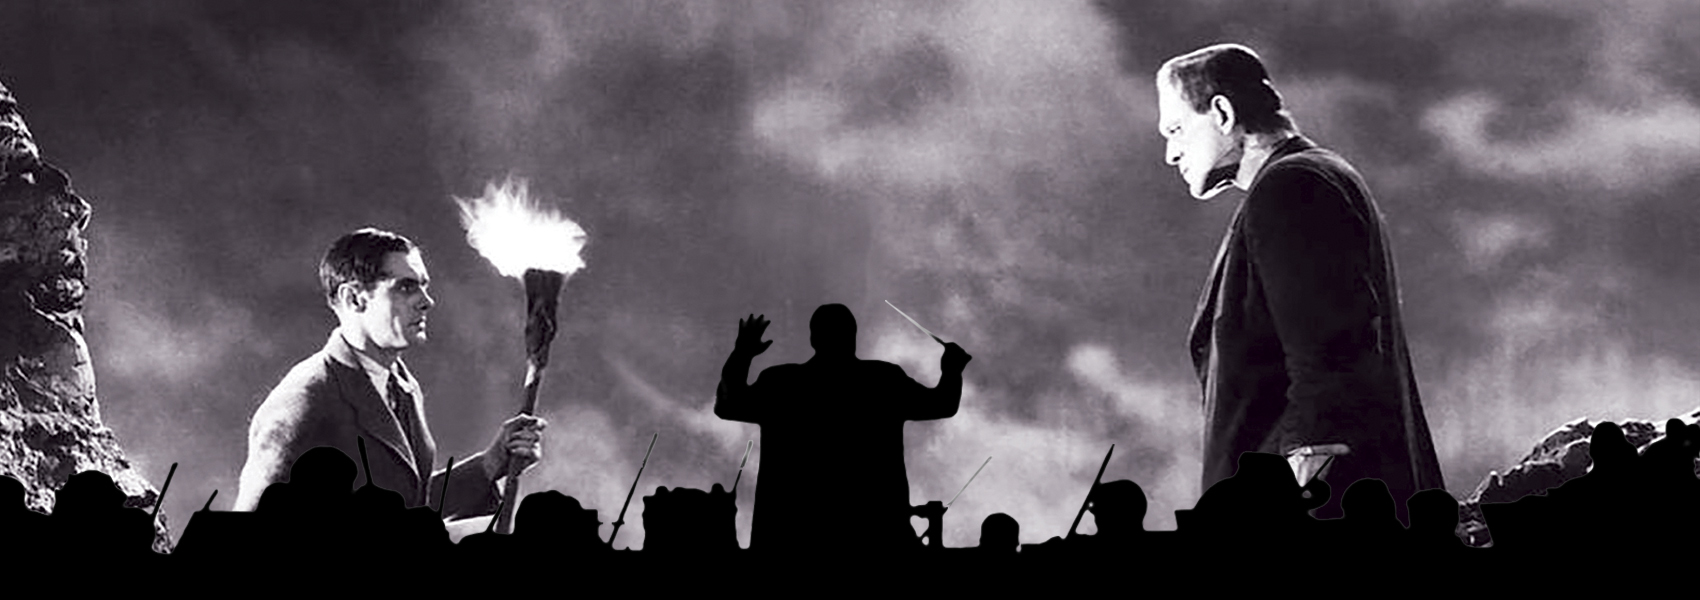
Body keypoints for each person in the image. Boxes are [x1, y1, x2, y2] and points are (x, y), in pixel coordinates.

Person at [1156, 43, 1444, 524]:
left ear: (1222, 112)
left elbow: (1329, 349)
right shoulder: (1310, 177)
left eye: (1176, 129)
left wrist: (1300, 489)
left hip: (1307, 512)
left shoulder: (1292, 187)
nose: (1170, 153)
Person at [234, 228, 547, 522]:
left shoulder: (401, 385)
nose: (427, 301)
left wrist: (492, 463)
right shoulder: (305, 398)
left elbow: (406, 509)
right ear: (353, 298)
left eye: (424, 285)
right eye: (406, 287)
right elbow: (251, 532)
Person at [714, 304, 972, 558]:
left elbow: (728, 404)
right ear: (853, 337)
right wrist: (951, 371)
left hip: (790, 539)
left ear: (814, 338)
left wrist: (743, 354)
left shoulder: (782, 383)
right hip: (874, 538)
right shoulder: (882, 381)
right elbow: (943, 404)